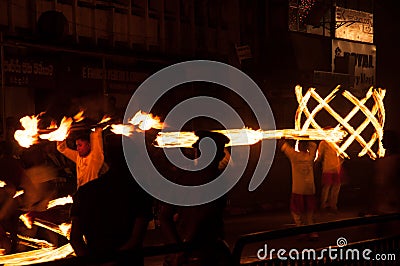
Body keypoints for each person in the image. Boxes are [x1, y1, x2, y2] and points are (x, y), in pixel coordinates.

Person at [69, 136, 153, 265]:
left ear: (107, 159)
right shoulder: (138, 192)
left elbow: (75, 239)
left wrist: (92, 262)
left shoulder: (85, 192)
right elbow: (136, 238)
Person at [159, 130, 232, 266]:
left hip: (193, 253)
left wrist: (177, 248)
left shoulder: (181, 178)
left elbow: (164, 217)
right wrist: (181, 249)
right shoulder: (217, 182)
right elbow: (202, 219)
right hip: (203, 255)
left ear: (196, 153)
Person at [279, 139, 318, 240]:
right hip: (310, 188)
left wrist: (283, 137)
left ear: (299, 146)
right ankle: (312, 231)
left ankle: (301, 229)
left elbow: (283, 145)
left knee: (296, 211)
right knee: (310, 212)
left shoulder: (294, 156)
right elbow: (313, 145)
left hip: (298, 189)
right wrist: (307, 138)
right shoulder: (310, 157)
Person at [373, 130, 400, 214]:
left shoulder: (394, 160)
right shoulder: (386, 160)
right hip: (386, 205)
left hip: (391, 205)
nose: (381, 141)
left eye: (384, 139)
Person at [316, 140, 343, 213]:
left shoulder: (336, 139)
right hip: (328, 168)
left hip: (336, 168)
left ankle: (333, 206)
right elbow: (320, 154)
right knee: (327, 187)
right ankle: (324, 206)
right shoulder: (324, 142)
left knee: (336, 187)